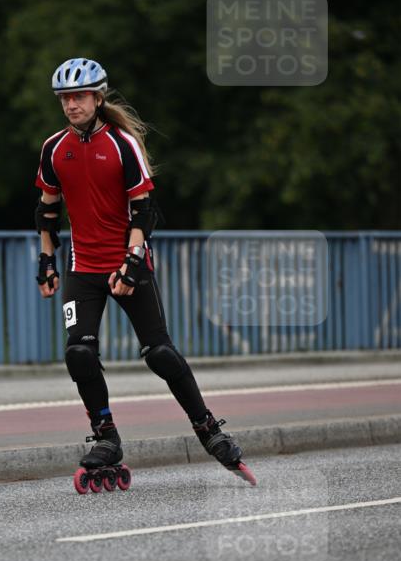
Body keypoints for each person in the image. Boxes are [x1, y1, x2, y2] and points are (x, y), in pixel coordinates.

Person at [33, 57, 255, 486]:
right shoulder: (53, 149)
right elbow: (46, 210)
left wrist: (133, 261)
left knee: (159, 353)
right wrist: (46, 260)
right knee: (78, 351)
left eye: (79, 97)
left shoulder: (121, 144)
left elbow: (144, 210)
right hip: (82, 269)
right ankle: (106, 436)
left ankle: (208, 428)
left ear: (98, 98)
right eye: (64, 98)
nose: (71, 105)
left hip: (127, 264)